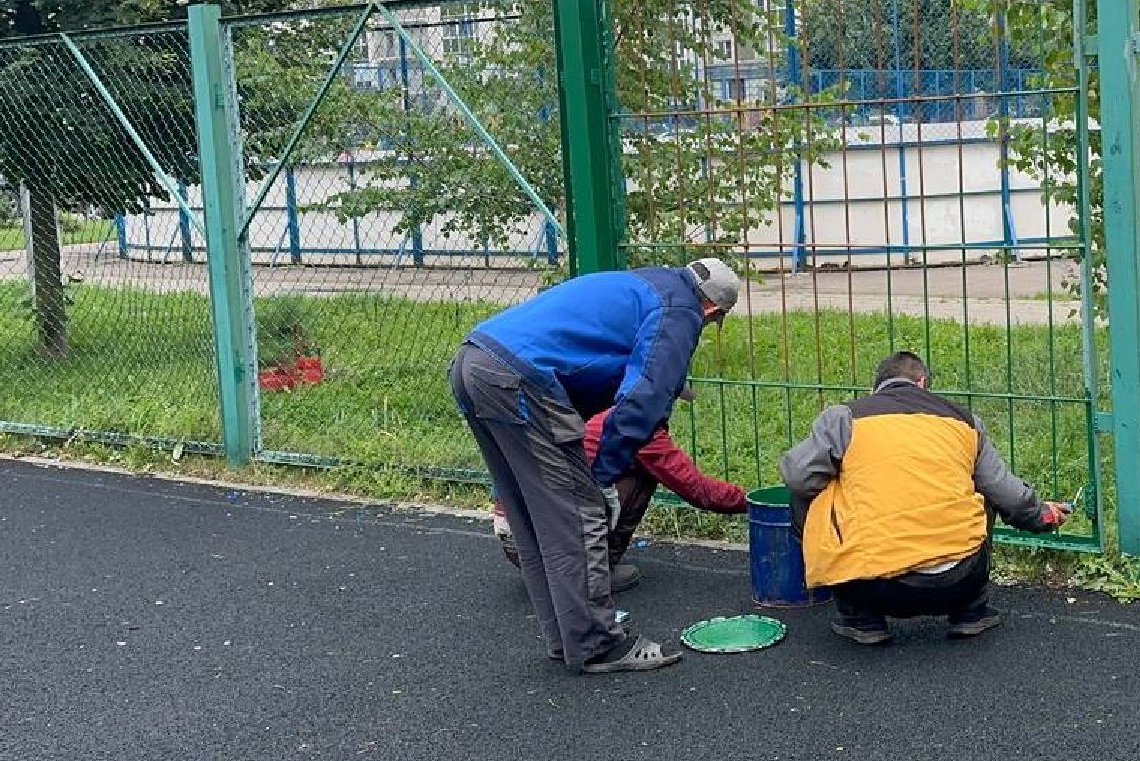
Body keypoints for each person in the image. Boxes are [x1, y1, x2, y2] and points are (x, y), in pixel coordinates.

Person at [450, 257, 740, 674]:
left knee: (532, 515)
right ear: (712, 310)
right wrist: (600, 477)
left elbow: (597, 380)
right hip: (519, 378)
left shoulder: (643, 284)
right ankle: (596, 643)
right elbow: (645, 397)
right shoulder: (681, 309)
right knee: (579, 511)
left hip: (475, 360)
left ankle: (566, 639)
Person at [780, 351, 1070, 645]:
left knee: (808, 494)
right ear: (922, 383)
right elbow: (1008, 494)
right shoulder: (966, 421)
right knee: (983, 489)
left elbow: (797, 477)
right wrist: (1040, 514)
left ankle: (861, 617)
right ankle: (971, 612)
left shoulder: (845, 417)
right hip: (960, 578)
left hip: (874, 585)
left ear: (875, 388)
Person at [490, 403, 750, 591]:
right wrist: (753, 502)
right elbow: (697, 489)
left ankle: (560, 568)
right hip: (545, 539)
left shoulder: (599, 412)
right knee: (644, 476)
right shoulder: (637, 428)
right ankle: (592, 571)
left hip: (518, 533)